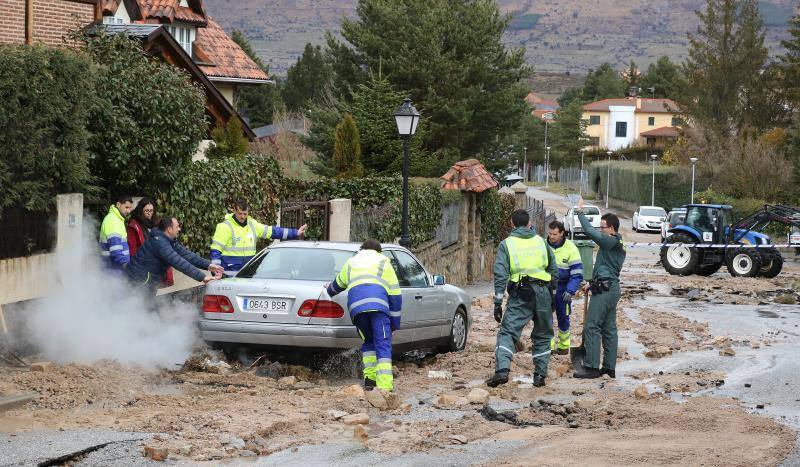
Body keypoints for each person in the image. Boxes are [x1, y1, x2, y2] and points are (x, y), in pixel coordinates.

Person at [486, 209, 557, 388]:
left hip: (521, 293)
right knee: (542, 335)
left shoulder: (507, 244)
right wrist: (552, 295)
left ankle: (502, 371)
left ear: (511, 223)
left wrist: (497, 302)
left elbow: (500, 274)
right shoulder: (542, 241)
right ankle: (540, 376)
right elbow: (553, 269)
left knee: (508, 333)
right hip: (543, 292)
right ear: (529, 223)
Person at [326, 240, 402, 391]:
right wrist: (394, 324)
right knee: (383, 344)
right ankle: (385, 387)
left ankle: (370, 380)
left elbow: (337, 285)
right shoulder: (384, 261)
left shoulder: (352, 262)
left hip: (357, 309)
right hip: (378, 308)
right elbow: (395, 294)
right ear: (378, 251)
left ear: (361, 249)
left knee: (368, 341)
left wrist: (328, 289)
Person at [573, 196, 626, 379]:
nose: (600, 230)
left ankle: (592, 367)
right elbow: (603, 267)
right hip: (607, 288)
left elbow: (589, 231)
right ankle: (609, 368)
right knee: (609, 329)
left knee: (592, 326)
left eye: (602, 227)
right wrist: (591, 283)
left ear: (611, 228)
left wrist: (580, 212)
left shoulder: (611, 240)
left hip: (606, 290)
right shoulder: (611, 244)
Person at [126, 216, 224, 295]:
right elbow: (178, 261)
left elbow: (187, 255)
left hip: (147, 281)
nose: (179, 229)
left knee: (147, 310)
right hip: (139, 281)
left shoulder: (168, 241)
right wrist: (202, 277)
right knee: (141, 309)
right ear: (169, 229)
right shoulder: (160, 243)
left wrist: (208, 265)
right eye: (177, 226)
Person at [210, 199, 308, 273]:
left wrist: (295, 233)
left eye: (245, 214)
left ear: (248, 213)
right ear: (234, 211)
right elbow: (216, 250)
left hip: (248, 273)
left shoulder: (252, 224)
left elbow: (272, 231)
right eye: (240, 213)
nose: (242, 216)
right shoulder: (224, 226)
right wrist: (216, 270)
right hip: (229, 273)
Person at [546, 220, 583, 355]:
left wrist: (570, 290)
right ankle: (548, 347)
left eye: (555, 234)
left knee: (563, 317)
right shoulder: (543, 246)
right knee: (545, 318)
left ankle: (563, 346)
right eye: (550, 233)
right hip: (546, 288)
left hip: (563, 288)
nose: (552, 236)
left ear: (562, 233)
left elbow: (577, 274)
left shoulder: (571, 248)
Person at [127, 197, 173, 286]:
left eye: (151, 210)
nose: (149, 213)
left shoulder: (156, 224)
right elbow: (133, 250)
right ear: (141, 210)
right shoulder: (134, 225)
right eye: (146, 210)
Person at [99, 194, 134, 274]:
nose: (128, 211)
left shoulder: (117, 219)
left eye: (130, 208)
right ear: (118, 205)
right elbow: (116, 249)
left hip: (114, 269)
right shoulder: (113, 220)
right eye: (126, 207)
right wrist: (126, 266)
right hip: (114, 270)